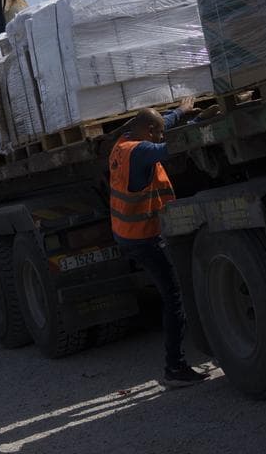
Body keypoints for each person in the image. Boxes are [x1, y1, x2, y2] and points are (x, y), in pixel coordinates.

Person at [109, 97, 209, 386]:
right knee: (174, 298)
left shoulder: (123, 144)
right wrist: (199, 122)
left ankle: (175, 366)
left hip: (127, 234)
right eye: (157, 132)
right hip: (143, 238)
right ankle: (174, 368)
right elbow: (170, 146)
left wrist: (180, 112)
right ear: (148, 132)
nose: (161, 134)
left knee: (170, 294)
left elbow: (158, 124)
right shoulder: (141, 151)